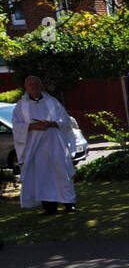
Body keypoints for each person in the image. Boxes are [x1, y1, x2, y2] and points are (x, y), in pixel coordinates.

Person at [12, 76, 77, 215]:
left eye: (37, 84)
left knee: (61, 172)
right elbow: (16, 127)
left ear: (41, 86)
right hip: (35, 148)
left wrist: (52, 123)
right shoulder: (21, 106)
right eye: (31, 84)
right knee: (43, 176)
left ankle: (69, 203)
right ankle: (49, 207)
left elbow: (65, 121)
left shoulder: (52, 102)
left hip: (55, 144)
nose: (34, 86)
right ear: (26, 87)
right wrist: (32, 126)